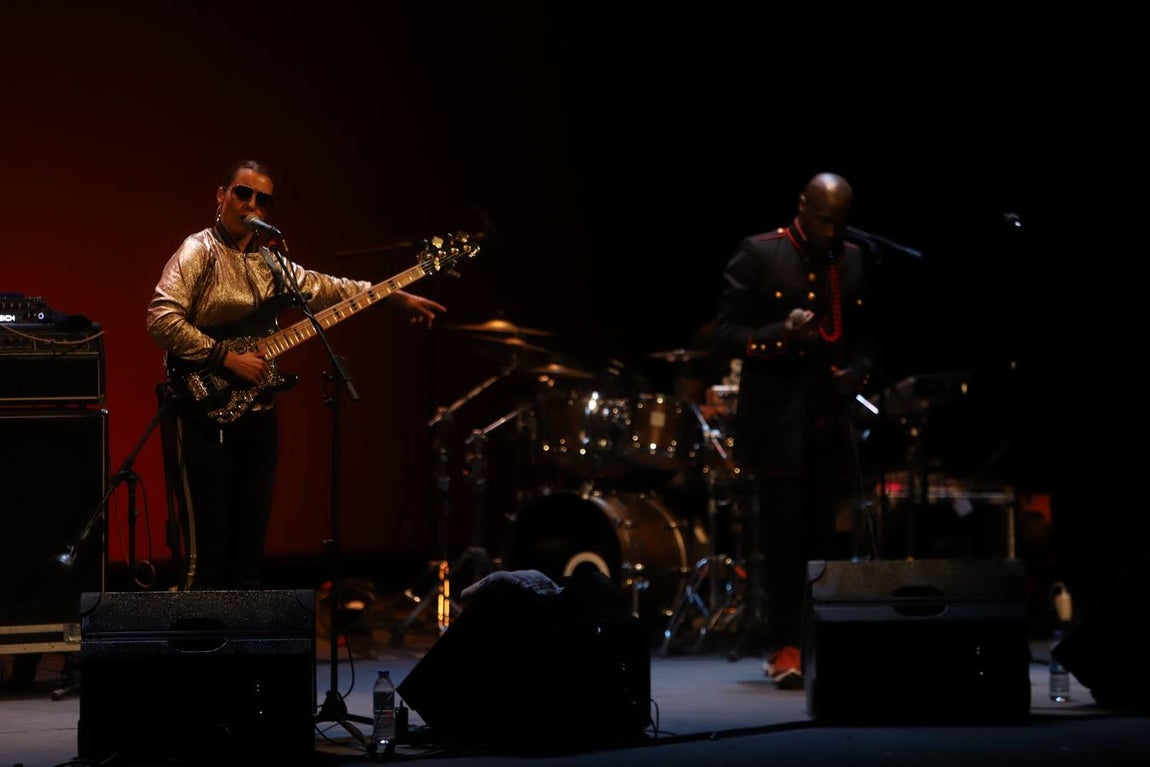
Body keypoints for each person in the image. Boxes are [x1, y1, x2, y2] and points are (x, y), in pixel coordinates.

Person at [146, 159, 446, 590]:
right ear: (221, 196)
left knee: (250, 547)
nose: (251, 204)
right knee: (207, 551)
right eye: (242, 193)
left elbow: (331, 288)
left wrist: (395, 296)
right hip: (199, 409)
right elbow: (160, 319)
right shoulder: (199, 250)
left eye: (261, 199)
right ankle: (199, 648)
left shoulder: (272, 262)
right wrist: (226, 360)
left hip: (257, 415)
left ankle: (246, 648)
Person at [712, 172, 871, 688]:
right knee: (784, 539)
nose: (832, 231)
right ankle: (784, 644)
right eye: (824, 220)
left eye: (840, 221)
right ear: (802, 207)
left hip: (828, 420)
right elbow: (725, 333)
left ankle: (823, 639)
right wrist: (781, 334)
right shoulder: (760, 252)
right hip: (777, 421)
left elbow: (868, 337)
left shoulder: (852, 258)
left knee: (826, 538)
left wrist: (856, 374)